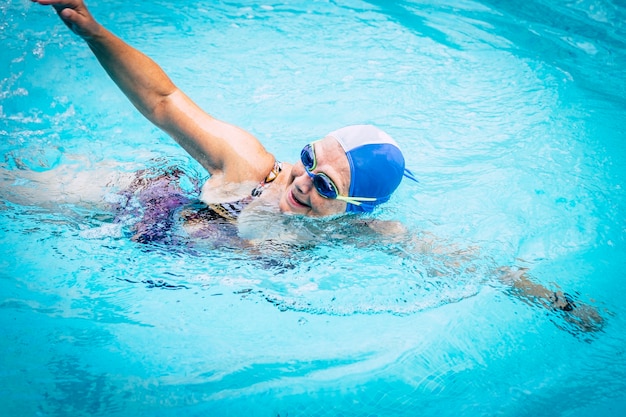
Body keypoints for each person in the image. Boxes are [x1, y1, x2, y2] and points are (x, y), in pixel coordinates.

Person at [28, 0, 604, 334]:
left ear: (354, 208)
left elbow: (472, 266)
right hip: (140, 205)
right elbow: (163, 102)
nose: (300, 180)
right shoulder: (251, 165)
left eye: (325, 184)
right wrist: (93, 31)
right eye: (308, 158)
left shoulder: (360, 235)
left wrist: (555, 301)